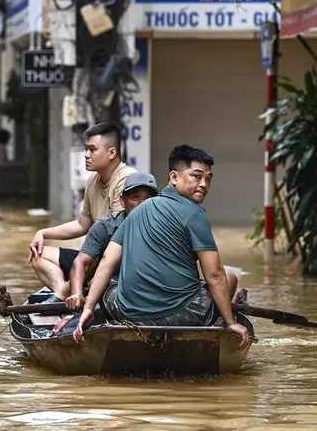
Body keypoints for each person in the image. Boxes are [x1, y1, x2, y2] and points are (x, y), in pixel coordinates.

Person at [73, 145, 249, 349]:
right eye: (196, 176)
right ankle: (215, 326)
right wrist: (230, 323)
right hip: (181, 316)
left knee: (111, 287)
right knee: (229, 277)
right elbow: (215, 275)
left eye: (208, 179)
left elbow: (106, 262)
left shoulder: (136, 211)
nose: (203, 184)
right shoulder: (195, 214)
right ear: (174, 177)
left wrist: (88, 307)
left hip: (126, 312)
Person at [29, 122, 136, 302]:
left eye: (92, 149)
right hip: (92, 256)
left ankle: (64, 294)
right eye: (86, 149)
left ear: (111, 153)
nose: (86, 155)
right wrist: (42, 233)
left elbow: (114, 243)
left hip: (115, 262)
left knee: (90, 259)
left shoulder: (126, 181)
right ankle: (63, 294)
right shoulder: (93, 181)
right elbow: (82, 225)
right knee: (38, 255)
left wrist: (81, 273)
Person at [65, 172, 159, 311]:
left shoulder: (163, 227)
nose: (142, 205)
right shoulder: (106, 226)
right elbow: (81, 262)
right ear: (122, 201)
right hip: (113, 289)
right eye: (135, 198)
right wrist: (77, 293)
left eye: (148, 199)